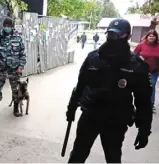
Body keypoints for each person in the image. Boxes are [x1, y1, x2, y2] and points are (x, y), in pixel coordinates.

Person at [66, 19, 153, 163]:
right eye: (111, 34)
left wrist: (144, 129)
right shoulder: (93, 58)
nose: (113, 39)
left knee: (113, 158)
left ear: (128, 36)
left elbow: (143, 101)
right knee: (77, 155)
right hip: (90, 115)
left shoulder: (136, 65)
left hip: (116, 120)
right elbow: (80, 85)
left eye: (118, 35)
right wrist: (71, 107)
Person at [0, 17, 27, 117]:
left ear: (12, 26)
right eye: (5, 26)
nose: (7, 28)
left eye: (9, 26)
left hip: (14, 70)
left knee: (15, 90)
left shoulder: (18, 38)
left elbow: (22, 54)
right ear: (3, 26)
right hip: (1, 69)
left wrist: (21, 66)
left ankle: (15, 109)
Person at [134, 29, 159, 112]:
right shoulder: (141, 45)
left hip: (154, 70)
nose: (152, 37)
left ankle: (151, 103)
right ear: (147, 37)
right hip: (142, 70)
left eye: (153, 36)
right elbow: (134, 55)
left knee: (152, 84)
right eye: (150, 36)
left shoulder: (158, 46)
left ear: (156, 37)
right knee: (142, 85)